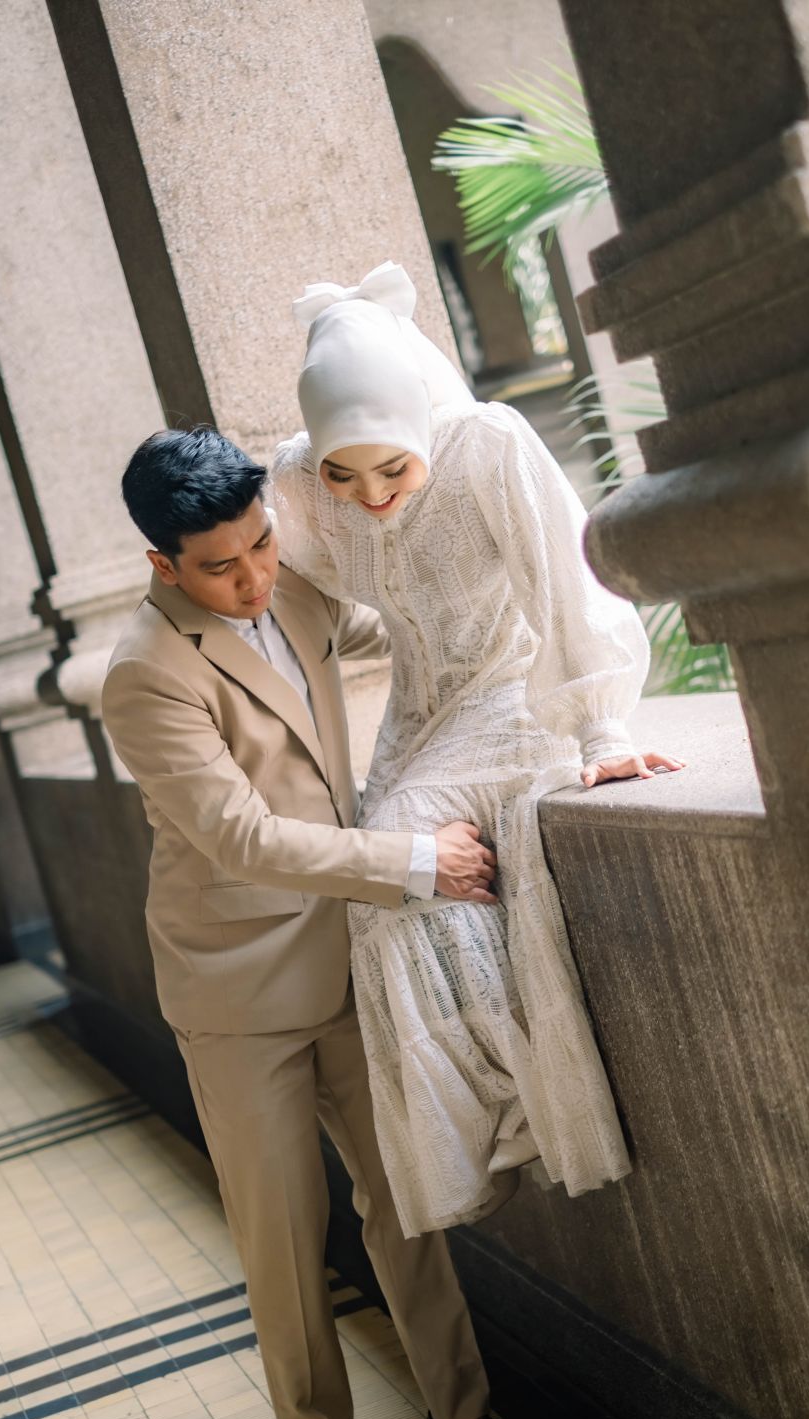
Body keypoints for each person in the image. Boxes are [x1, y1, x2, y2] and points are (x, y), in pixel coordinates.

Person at [101, 426, 547, 1419]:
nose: (254, 577)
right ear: (162, 565)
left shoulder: (294, 589)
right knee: (285, 1244)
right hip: (236, 990)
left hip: (348, 955)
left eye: (261, 544)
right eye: (220, 566)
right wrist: (414, 862)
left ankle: (461, 1418)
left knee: (405, 1199)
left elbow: (417, 617)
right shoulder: (144, 675)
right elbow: (241, 837)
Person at [270, 262, 684, 1240]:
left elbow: (563, 581)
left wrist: (601, 730)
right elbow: (304, 572)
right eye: (344, 474)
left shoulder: (486, 444)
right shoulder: (301, 479)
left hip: (513, 696)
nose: (369, 495)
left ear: (419, 425)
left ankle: (519, 1097)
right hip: (417, 720)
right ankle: (499, 1103)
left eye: (390, 469)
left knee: (398, 855)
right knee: (377, 881)